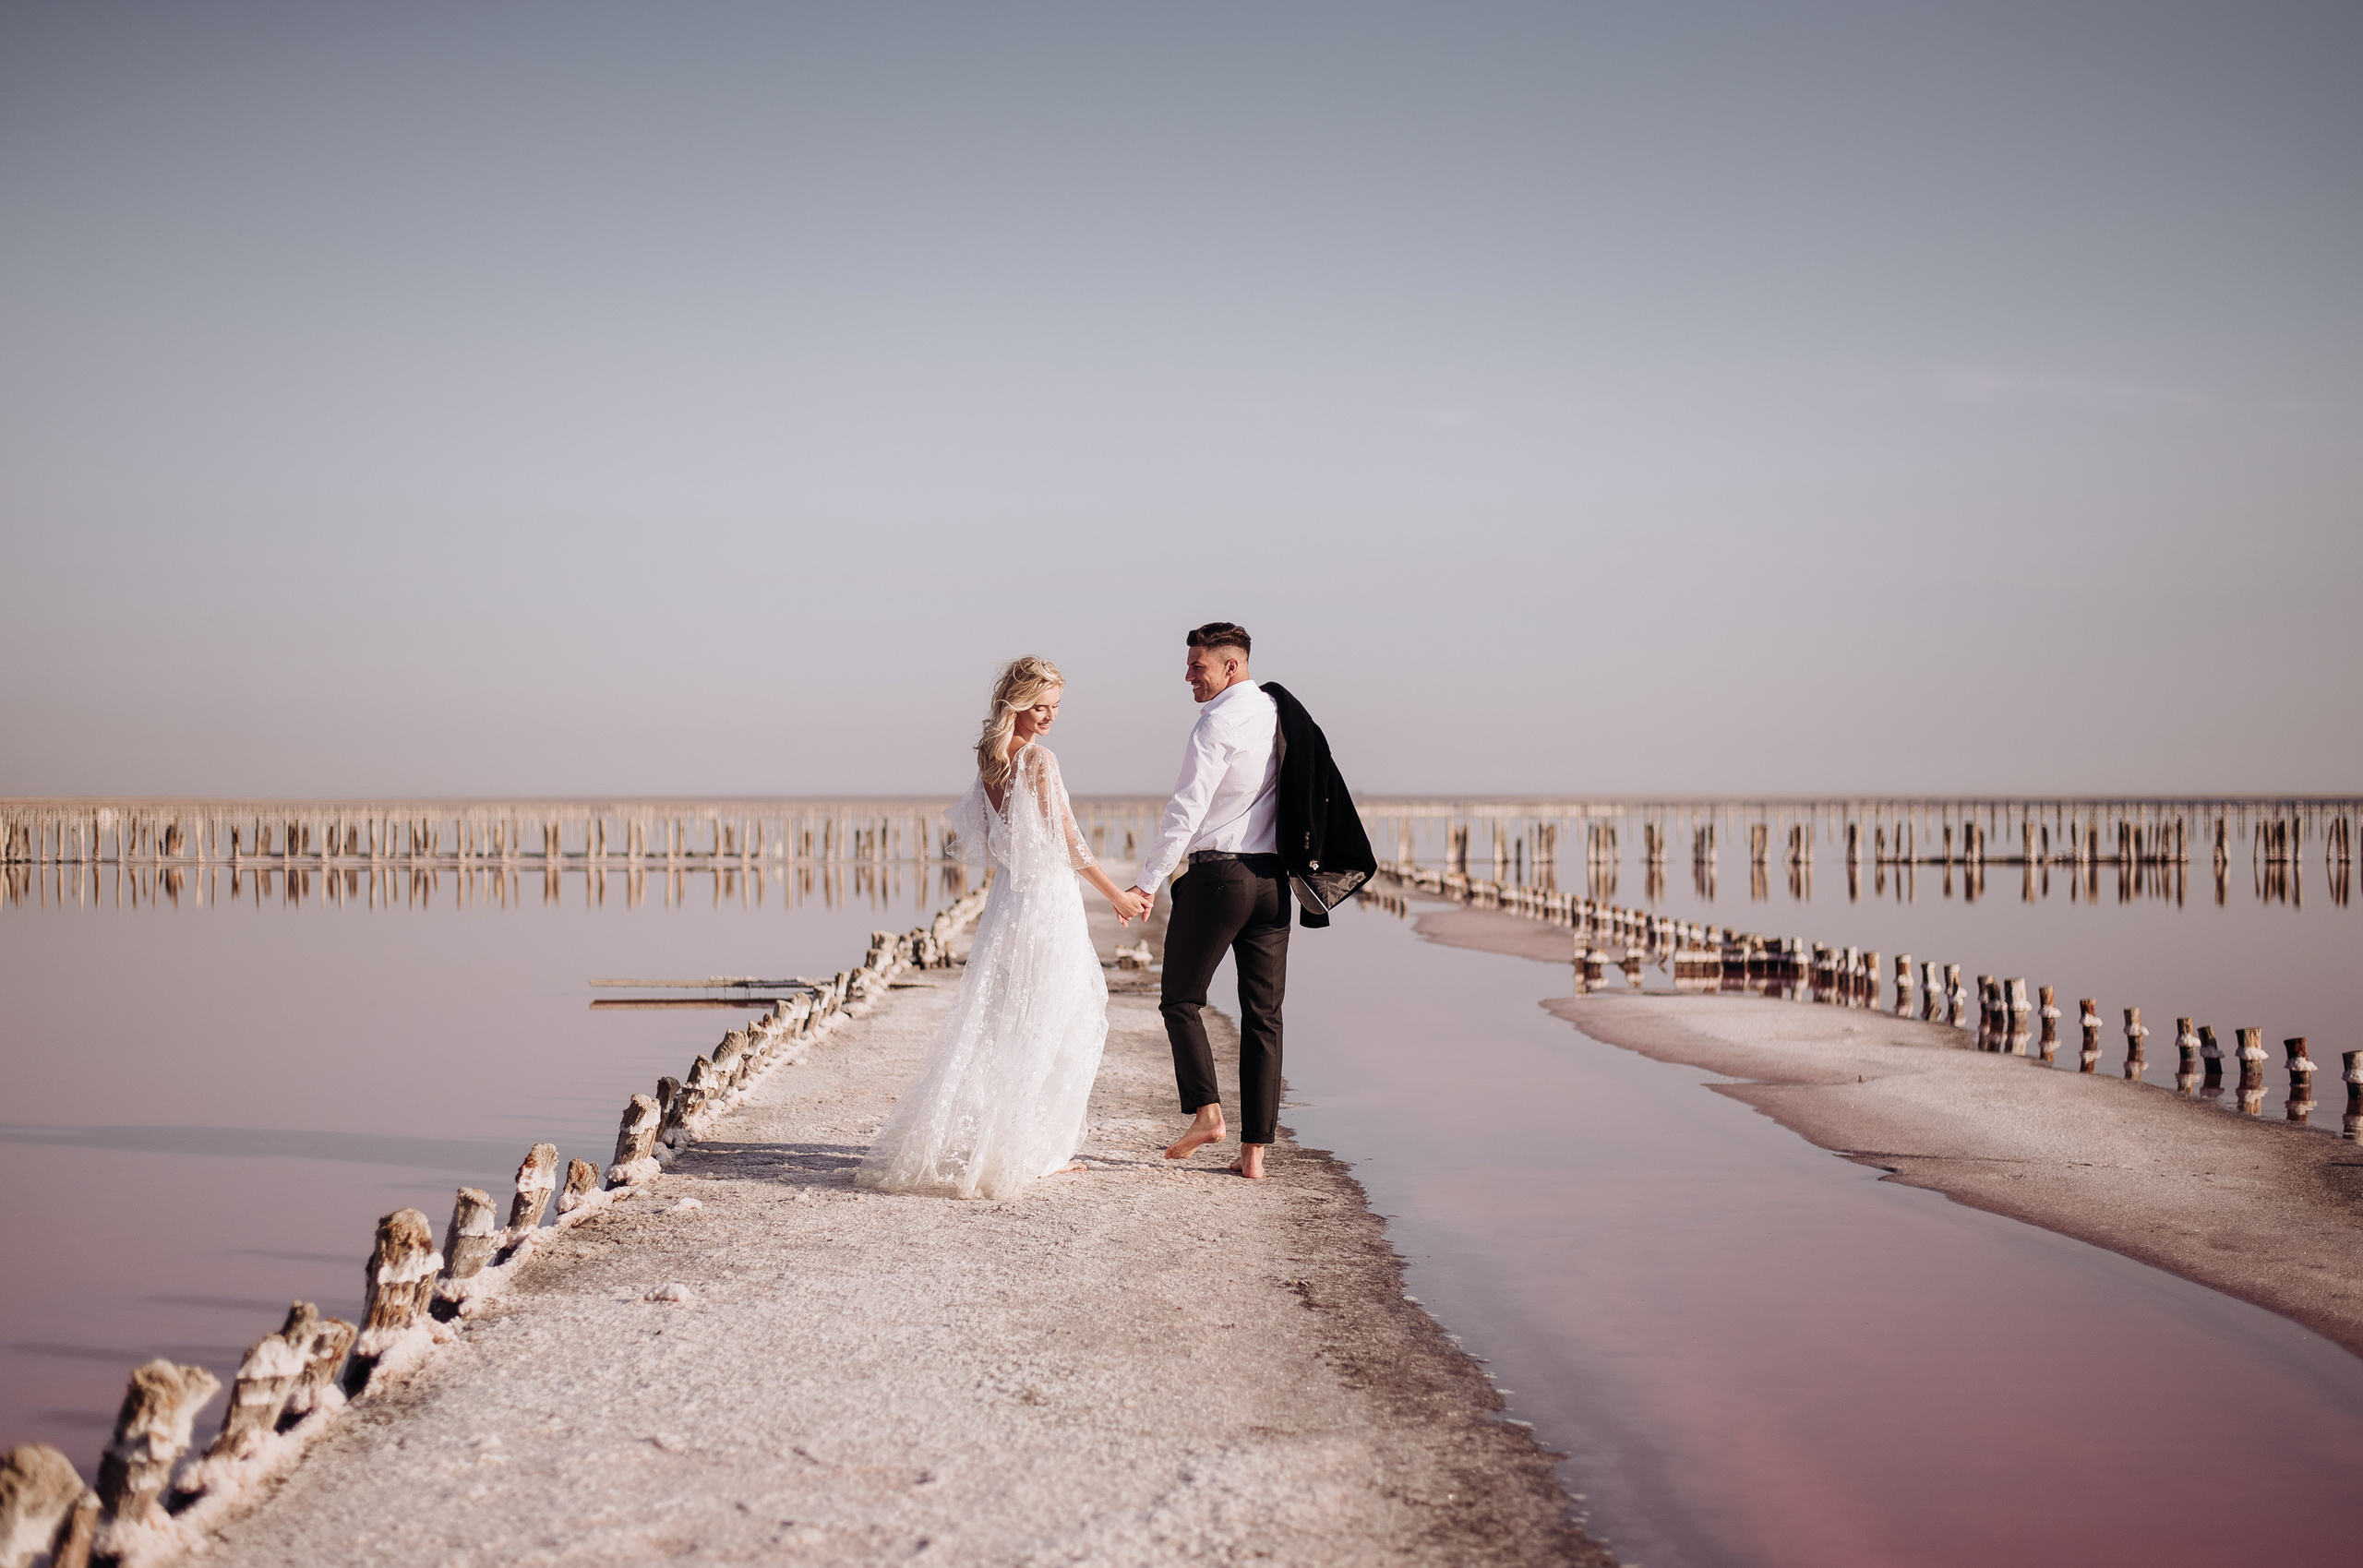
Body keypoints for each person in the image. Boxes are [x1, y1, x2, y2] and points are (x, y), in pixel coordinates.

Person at [856, 657, 1146, 1200]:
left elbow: (991, 843)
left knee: (1016, 1019)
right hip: (1045, 901)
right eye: (1041, 706)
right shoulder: (1038, 759)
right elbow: (1067, 840)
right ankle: (1034, 1152)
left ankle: (1019, 1145)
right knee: (1064, 1015)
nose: (1050, 717)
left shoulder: (991, 762)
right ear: (1015, 704)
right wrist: (1119, 898)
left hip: (1009, 900)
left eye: (1056, 707)